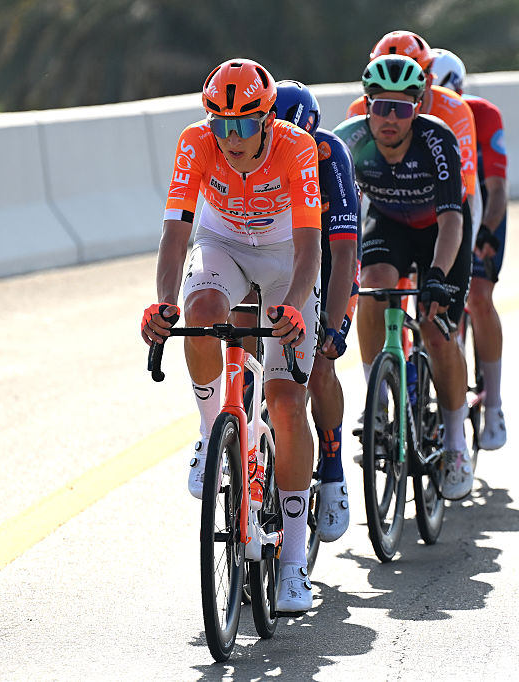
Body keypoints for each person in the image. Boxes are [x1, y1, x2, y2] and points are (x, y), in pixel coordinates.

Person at [140, 58, 320, 613]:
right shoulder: (196, 143)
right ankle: (208, 430)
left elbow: (312, 247)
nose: (231, 137)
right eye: (221, 124)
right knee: (201, 310)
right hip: (223, 247)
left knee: (287, 403)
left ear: (267, 120)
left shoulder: (297, 149)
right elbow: (176, 232)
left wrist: (290, 307)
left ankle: (292, 565)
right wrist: (164, 300)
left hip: (286, 258)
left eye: (243, 125)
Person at [333, 54, 475, 499]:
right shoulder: (348, 142)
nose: (390, 118)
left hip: (440, 229)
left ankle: (454, 441)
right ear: (366, 105)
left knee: (435, 328)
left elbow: (454, 220)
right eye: (380, 106)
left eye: (402, 108)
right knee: (373, 284)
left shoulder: (438, 139)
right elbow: (325, 219)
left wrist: (436, 274)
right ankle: (377, 399)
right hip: (390, 224)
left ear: (419, 107)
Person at [273, 79, 361, 542]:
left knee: (321, 364)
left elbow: (343, 252)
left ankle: (331, 469)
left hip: (329, 261)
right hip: (276, 261)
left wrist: (331, 325)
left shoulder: (331, 156)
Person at [430, 47, 509, 450]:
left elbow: (495, 189)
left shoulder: (484, 115)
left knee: (478, 295)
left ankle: (493, 403)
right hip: (431, 214)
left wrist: (485, 234)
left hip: (479, 212)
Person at [344, 30, 482, 240]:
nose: (396, 89)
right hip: (390, 205)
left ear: (428, 80)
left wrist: (463, 245)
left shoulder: (455, 109)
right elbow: (350, 191)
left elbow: (467, 187)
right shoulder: (359, 111)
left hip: (443, 202)